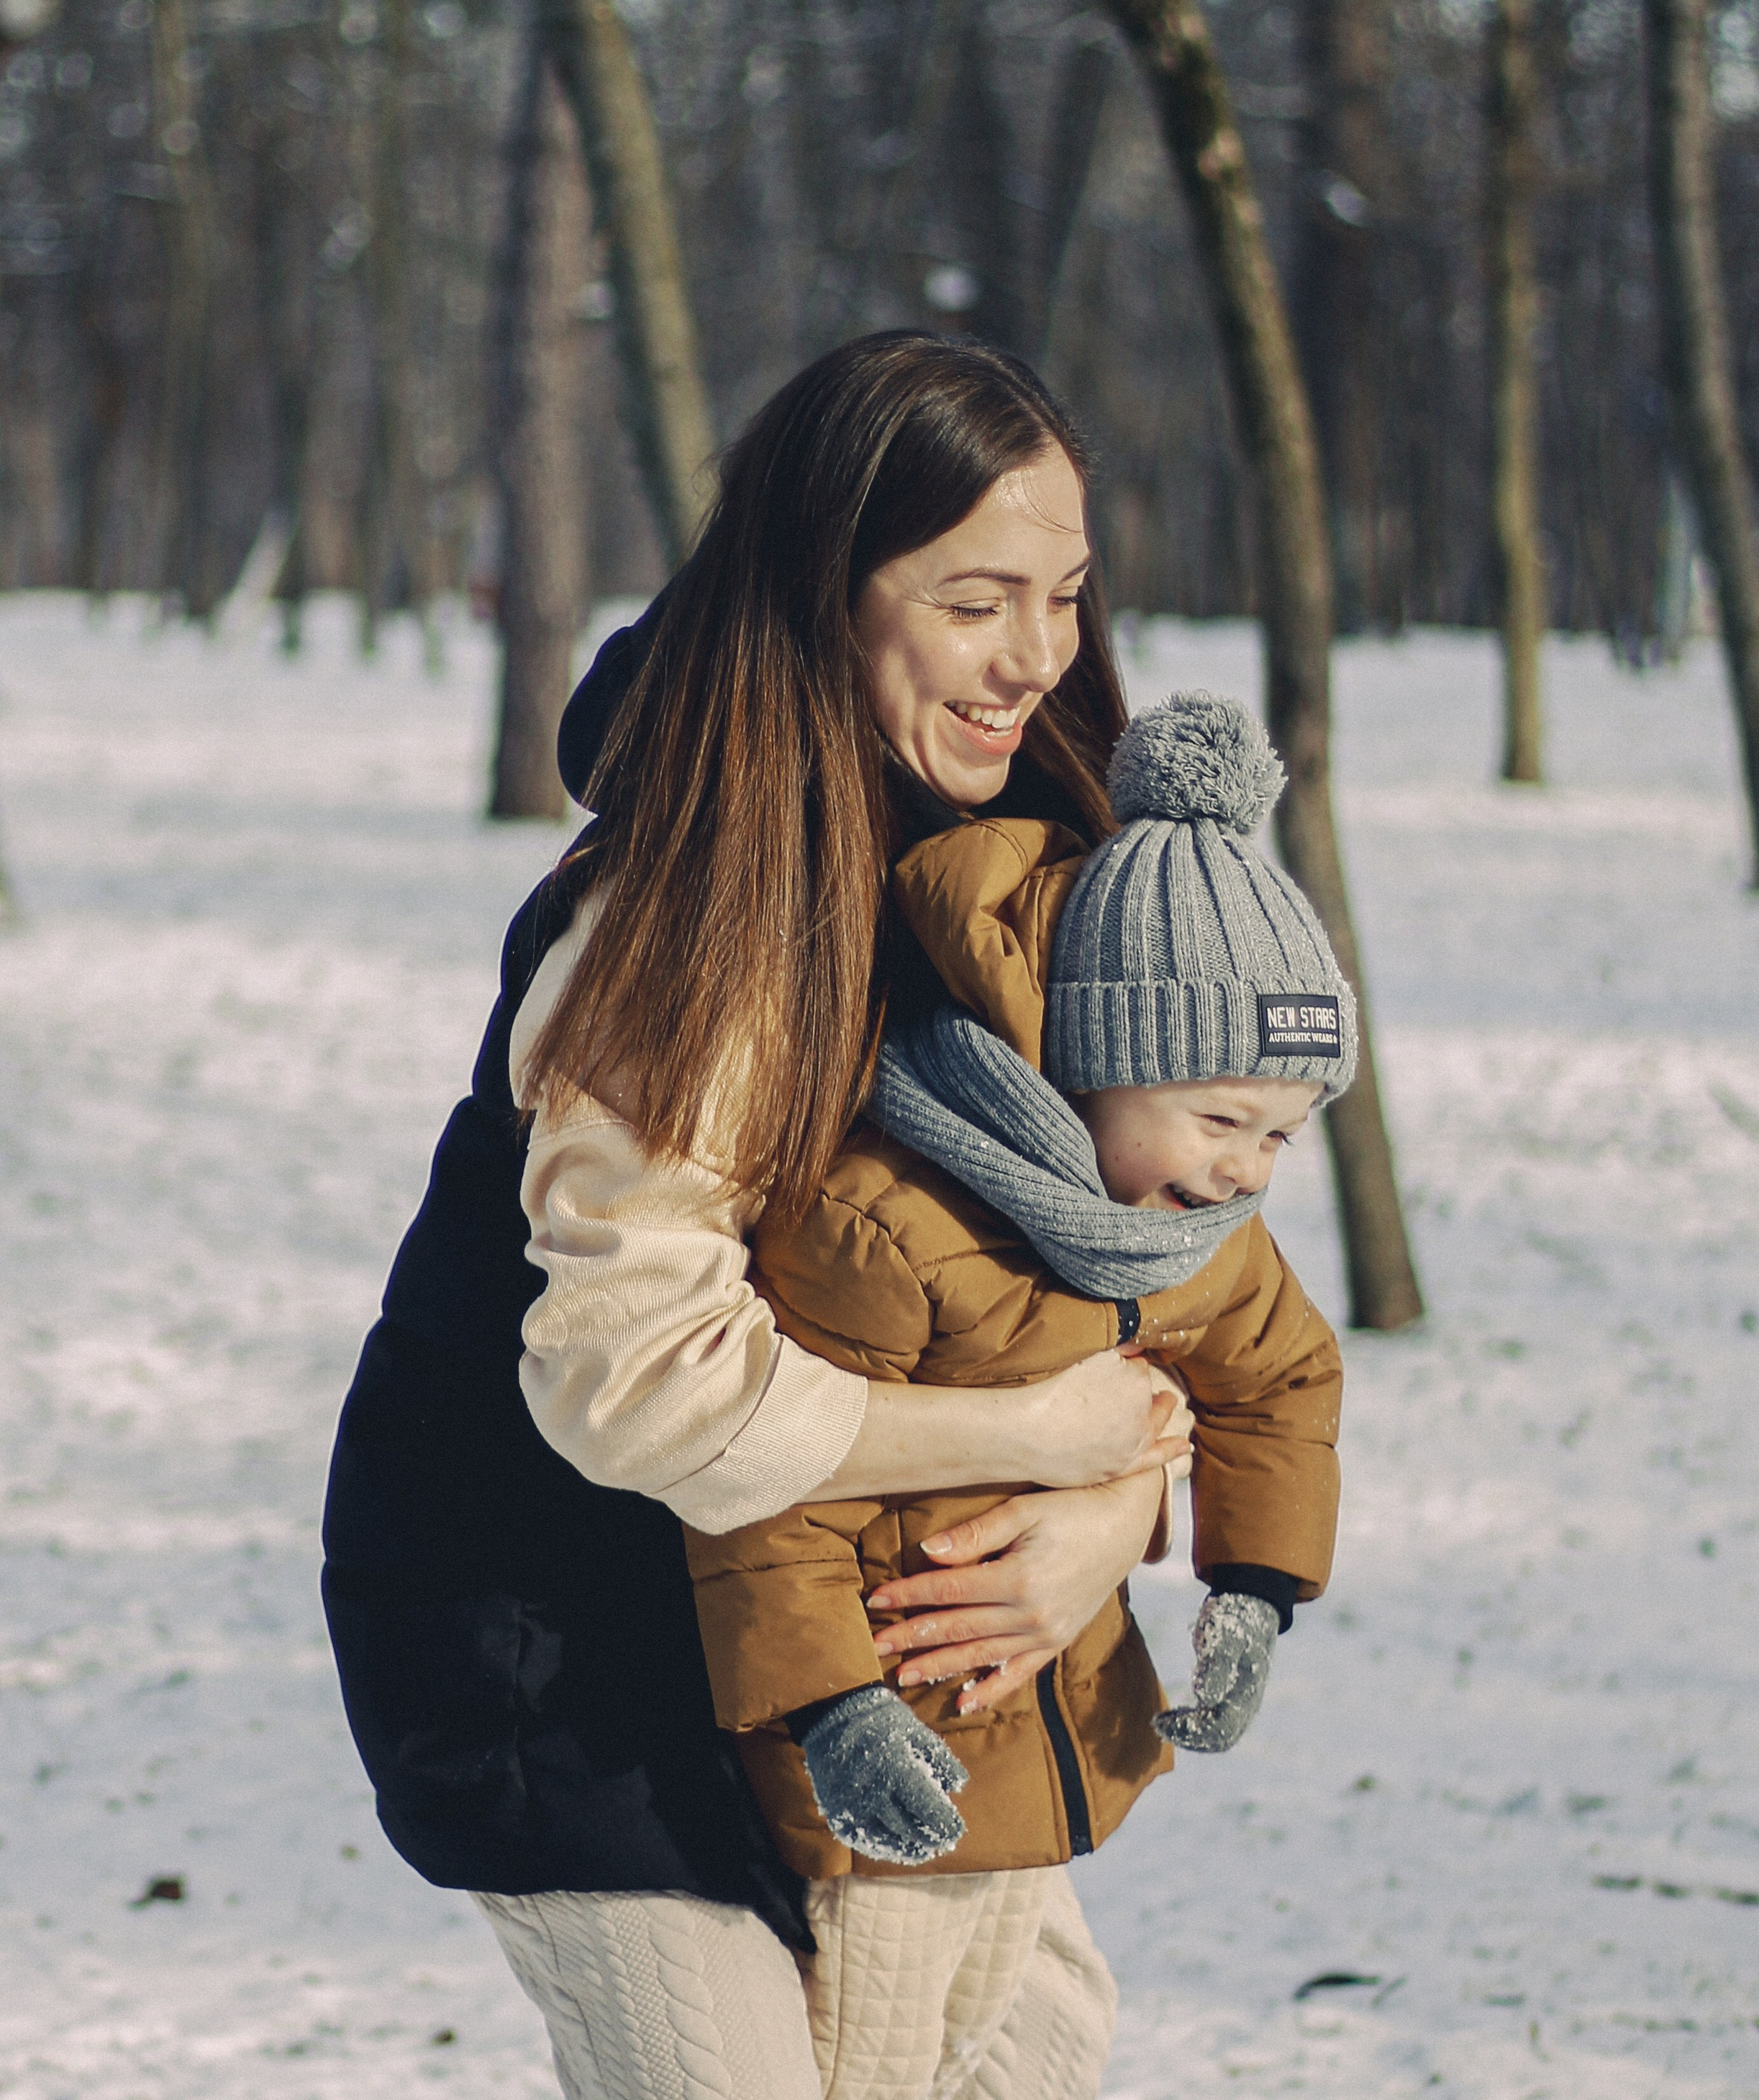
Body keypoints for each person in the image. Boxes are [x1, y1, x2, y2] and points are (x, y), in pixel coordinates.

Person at [322, 334, 1196, 2100]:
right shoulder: (685, 920)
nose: (1035, 655)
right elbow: (635, 1380)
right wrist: (1028, 1439)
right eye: (973, 602)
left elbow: (1147, 1265)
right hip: (557, 1630)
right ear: (822, 592)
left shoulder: (1026, 868)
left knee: (1029, 2054)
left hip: (827, 1613)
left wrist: (1105, 1508)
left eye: (1062, 595)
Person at [683, 691, 1347, 2100]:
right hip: (887, 1763)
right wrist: (833, 1709)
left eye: (1281, 1136)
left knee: (1043, 2041)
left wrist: (1253, 1589)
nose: (1247, 1171)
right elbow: (775, 1482)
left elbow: (1281, 1374)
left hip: (1040, 1747)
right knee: (876, 2058)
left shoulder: (1194, 1234)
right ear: (1095, 1065)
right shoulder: (890, 1222)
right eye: (1221, 1119)